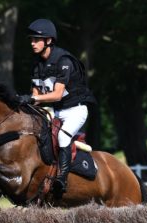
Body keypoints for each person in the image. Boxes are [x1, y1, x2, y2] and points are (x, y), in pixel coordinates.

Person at [18, 18, 96, 199]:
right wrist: (22, 101)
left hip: (76, 111)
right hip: (57, 111)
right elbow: (36, 96)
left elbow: (57, 95)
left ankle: (62, 179)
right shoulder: (37, 64)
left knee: (62, 136)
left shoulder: (64, 61)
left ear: (49, 41)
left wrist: (32, 97)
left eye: (37, 39)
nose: (32, 43)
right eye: (31, 39)